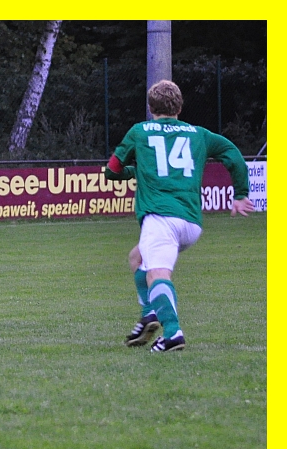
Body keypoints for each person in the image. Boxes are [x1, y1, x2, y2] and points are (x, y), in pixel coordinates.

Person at [105, 79, 254, 353]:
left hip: (161, 218)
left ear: (150, 108)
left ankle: (173, 333)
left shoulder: (140, 131)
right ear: (180, 107)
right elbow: (232, 153)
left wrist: (124, 171)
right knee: (137, 257)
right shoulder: (199, 134)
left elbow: (113, 168)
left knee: (157, 275)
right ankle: (150, 313)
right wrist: (241, 194)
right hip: (191, 222)